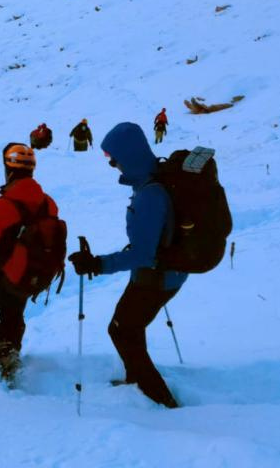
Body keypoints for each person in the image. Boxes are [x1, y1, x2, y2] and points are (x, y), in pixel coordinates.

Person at [68, 122, 186, 408]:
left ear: (129, 155)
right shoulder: (149, 182)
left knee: (122, 330)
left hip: (157, 277)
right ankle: (137, 379)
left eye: (113, 159)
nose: (113, 165)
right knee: (129, 326)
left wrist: (98, 264)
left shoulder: (150, 195)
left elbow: (143, 254)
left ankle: (160, 398)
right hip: (162, 273)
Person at [0, 143, 62, 385]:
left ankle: (5, 353)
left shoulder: (3, 206)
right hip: (30, 274)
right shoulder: (48, 202)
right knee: (13, 313)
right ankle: (12, 355)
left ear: (8, 169)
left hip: (0, 275)